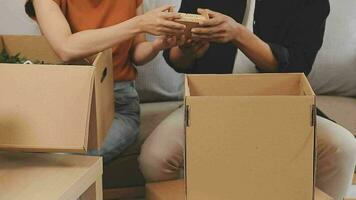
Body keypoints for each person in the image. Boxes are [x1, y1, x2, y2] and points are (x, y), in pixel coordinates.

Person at [138, 0, 356, 199]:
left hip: (281, 107)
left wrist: (238, 34)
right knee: (155, 158)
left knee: (343, 147)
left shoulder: (309, 4)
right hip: (210, 105)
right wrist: (187, 50)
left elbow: (296, 67)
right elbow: (179, 62)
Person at [25, 0, 186, 163]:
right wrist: (139, 23)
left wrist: (156, 46)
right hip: (64, 104)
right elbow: (66, 48)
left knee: (61, 161)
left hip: (118, 106)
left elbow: (136, 53)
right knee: (40, 158)